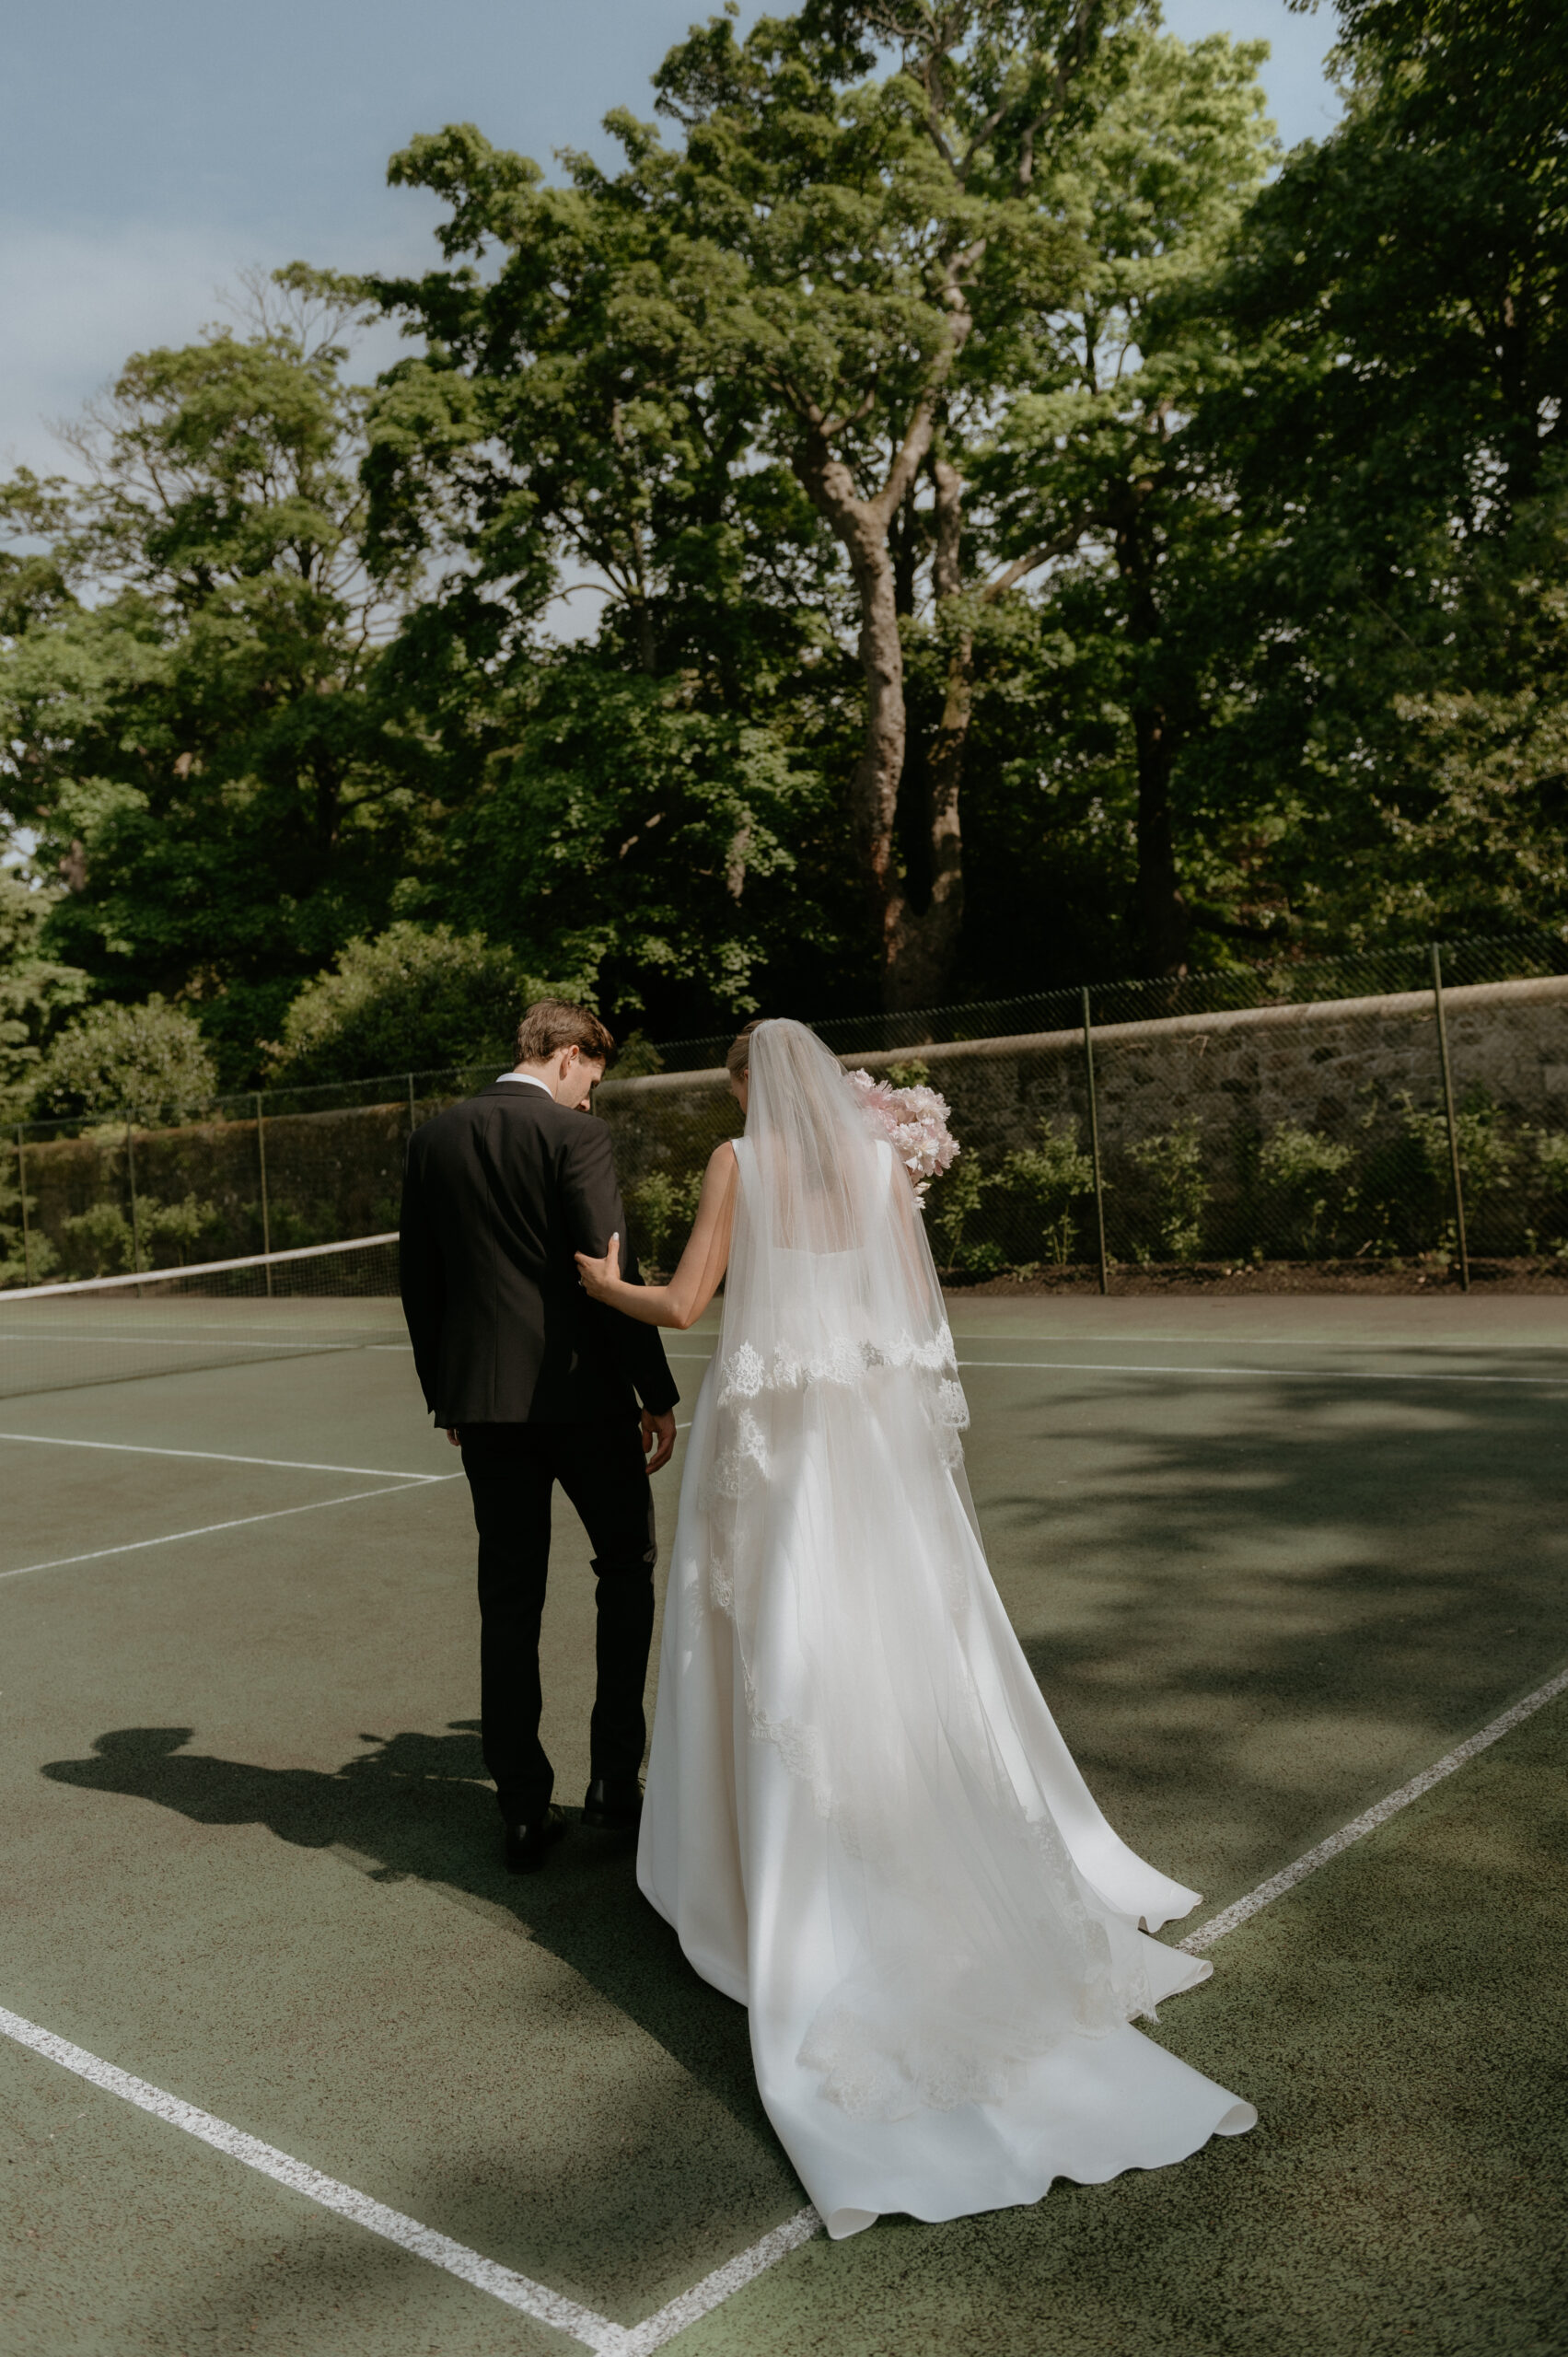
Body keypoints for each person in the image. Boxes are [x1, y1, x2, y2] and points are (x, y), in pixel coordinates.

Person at [575, 1016, 1255, 2238]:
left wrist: (596, 1283)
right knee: (886, 1643)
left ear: (746, 1087)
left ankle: (741, 1875)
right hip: (871, 1444)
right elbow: (906, 1318)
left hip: (779, 1454)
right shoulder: (883, 1167)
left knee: (773, 1649)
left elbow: (681, 1307)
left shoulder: (739, 1162)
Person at [400, 998, 679, 1873]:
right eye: (592, 1075)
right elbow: (609, 1274)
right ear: (565, 1055)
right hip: (586, 1399)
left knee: (509, 1597)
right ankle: (610, 1785)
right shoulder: (575, 1140)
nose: (593, 1096)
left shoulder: (434, 1137)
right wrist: (656, 1392)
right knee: (625, 1572)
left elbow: (420, 1281)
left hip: (484, 1406)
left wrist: (449, 1396)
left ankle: (521, 1806)